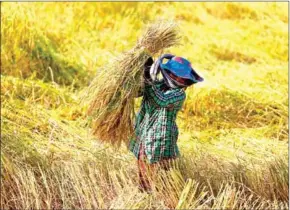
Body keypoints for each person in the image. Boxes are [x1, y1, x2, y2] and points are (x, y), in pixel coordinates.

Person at [129, 54, 204, 192]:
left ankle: (159, 193)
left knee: (156, 168)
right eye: (175, 75)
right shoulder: (158, 84)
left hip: (160, 137)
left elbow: (160, 100)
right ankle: (144, 192)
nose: (179, 79)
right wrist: (142, 74)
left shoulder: (179, 94)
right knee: (141, 162)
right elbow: (138, 91)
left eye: (182, 77)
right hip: (144, 132)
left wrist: (150, 81)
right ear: (167, 73)